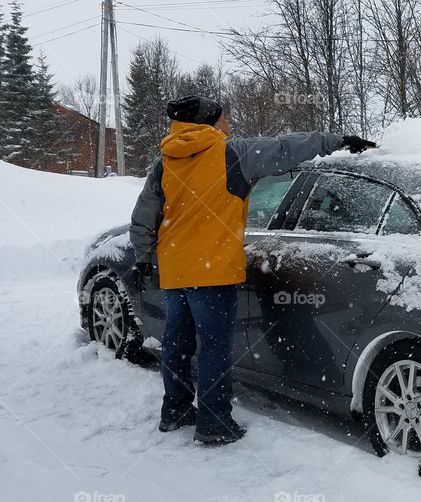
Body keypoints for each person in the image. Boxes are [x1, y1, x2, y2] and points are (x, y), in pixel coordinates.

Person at [129, 95, 376, 445]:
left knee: (178, 342)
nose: (227, 121)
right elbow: (286, 147)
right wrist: (336, 140)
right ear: (210, 122)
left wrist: (142, 256)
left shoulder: (164, 161)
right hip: (212, 271)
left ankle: (175, 411)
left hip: (174, 269)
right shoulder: (232, 152)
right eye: (223, 116)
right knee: (214, 346)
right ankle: (214, 423)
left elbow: (144, 214)